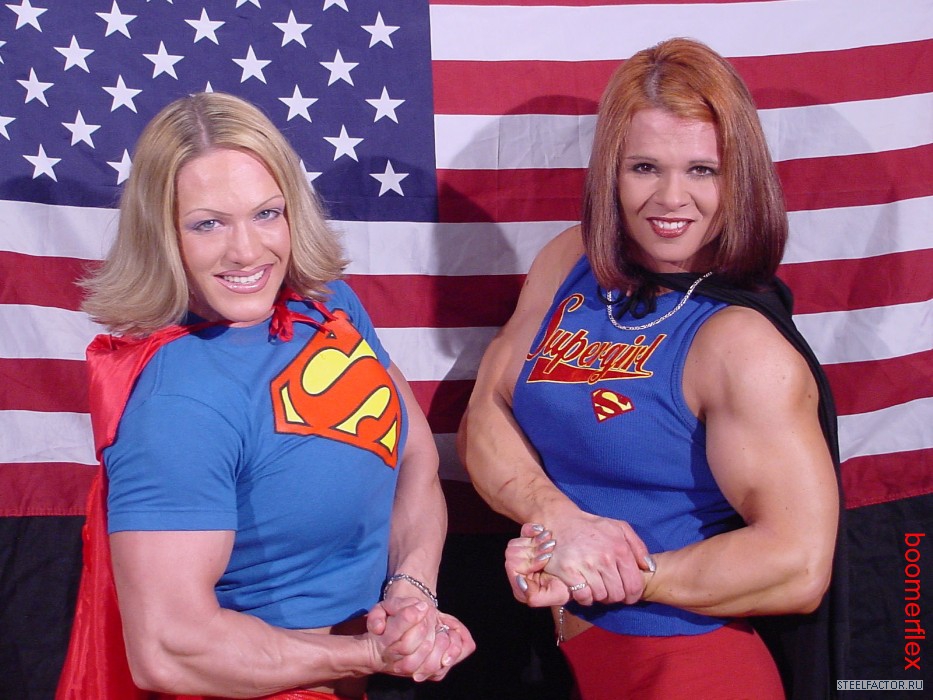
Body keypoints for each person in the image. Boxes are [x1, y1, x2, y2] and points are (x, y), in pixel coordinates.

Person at [457, 38, 845, 699]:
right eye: (644, 167)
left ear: (739, 178)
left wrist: (619, 574)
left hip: (691, 666)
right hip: (563, 653)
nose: (671, 199)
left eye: (702, 170)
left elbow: (798, 565)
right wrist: (558, 520)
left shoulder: (740, 344)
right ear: (610, 171)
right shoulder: (569, 261)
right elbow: (484, 417)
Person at [56, 91, 474, 700]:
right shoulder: (176, 404)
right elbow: (170, 649)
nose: (247, 251)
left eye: (266, 213)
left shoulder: (327, 306)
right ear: (162, 234)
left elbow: (414, 456)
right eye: (208, 224)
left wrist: (412, 589)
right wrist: (370, 653)